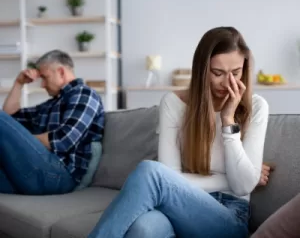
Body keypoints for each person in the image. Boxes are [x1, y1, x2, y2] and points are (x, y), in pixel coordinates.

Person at [87, 26, 271, 238]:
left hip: (229, 215)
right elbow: (170, 177)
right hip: (178, 205)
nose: (227, 82)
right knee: (143, 228)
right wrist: (237, 176)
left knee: (149, 172)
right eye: (217, 73)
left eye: (236, 73)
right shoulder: (173, 104)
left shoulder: (256, 107)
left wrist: (228, 121)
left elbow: (242, 187)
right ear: (202, 69)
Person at [0, 49, 104, 195]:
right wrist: (19, 83)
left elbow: (63, 139)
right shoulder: (50, 105)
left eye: (44, 77)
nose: (42, 84)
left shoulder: (84, 93)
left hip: (59, 174)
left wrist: (18, 140)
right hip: (34, 172)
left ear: (61, 72)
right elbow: (10, 116)